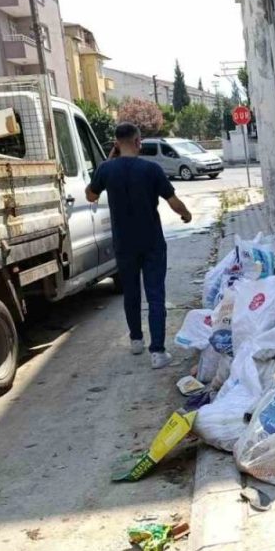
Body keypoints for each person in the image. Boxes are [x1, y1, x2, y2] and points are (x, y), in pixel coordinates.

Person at [86, 123, 192, 369]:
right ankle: (157, 352)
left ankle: (136, 340)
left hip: (124, 244)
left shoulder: (106, 170)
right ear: (137, 141)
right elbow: (172, 200)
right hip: (152, 242)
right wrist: (185, 214)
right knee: (155, 295)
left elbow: (90, 195)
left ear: (116, 143)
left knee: (131, 293)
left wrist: (108, 161)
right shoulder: (151, 169)